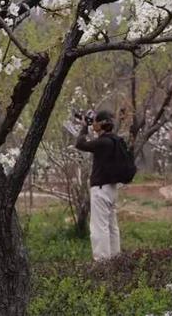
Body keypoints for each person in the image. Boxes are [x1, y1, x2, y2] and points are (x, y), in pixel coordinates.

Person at [75, 110, 121, 261]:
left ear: (101, 124)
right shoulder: (115, 141)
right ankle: (115, 258)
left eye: (94, 121)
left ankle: (102, 263)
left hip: (101, 190)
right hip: (112, 189)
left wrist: (83, 128)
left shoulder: (103, 142)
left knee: (99, 227)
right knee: (111, 226)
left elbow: (80, 144)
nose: (92, 123)